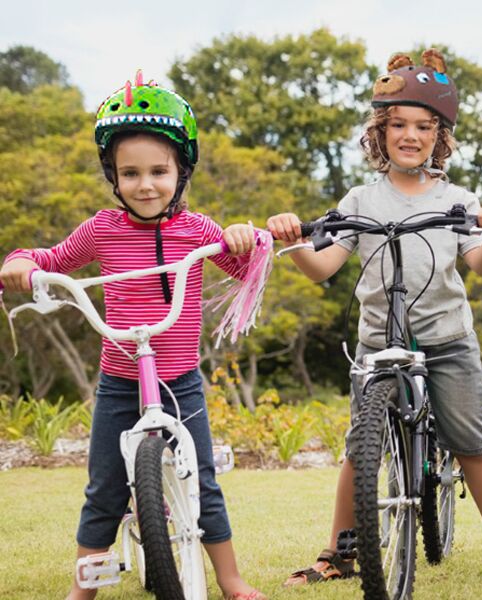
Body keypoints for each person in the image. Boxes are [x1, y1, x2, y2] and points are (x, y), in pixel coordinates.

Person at [268, 49, 482, 585]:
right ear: (380, 133)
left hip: (445, 341)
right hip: (378, 342)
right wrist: (296, 241)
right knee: (359, 449)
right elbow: (323, 268)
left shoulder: (457, 199)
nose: (410, 136)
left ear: (440, 136)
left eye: (423, 126)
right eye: (398, 125)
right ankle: (339, 552)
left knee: (470, 443)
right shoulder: (360, 200)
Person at [0, 72, 266, 599]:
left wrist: (245, 238)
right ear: (113, 176)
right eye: (130, 173)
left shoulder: (198, 229)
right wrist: (19, 262)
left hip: (181, 381)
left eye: (159, 171)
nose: (146, 184)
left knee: (202, 481)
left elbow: (246, 266)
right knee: (103, 491)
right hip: (120, 382)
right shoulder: (102, 229)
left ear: (181, 171)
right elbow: (50, 260)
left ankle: (230, 580)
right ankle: (85, 589)